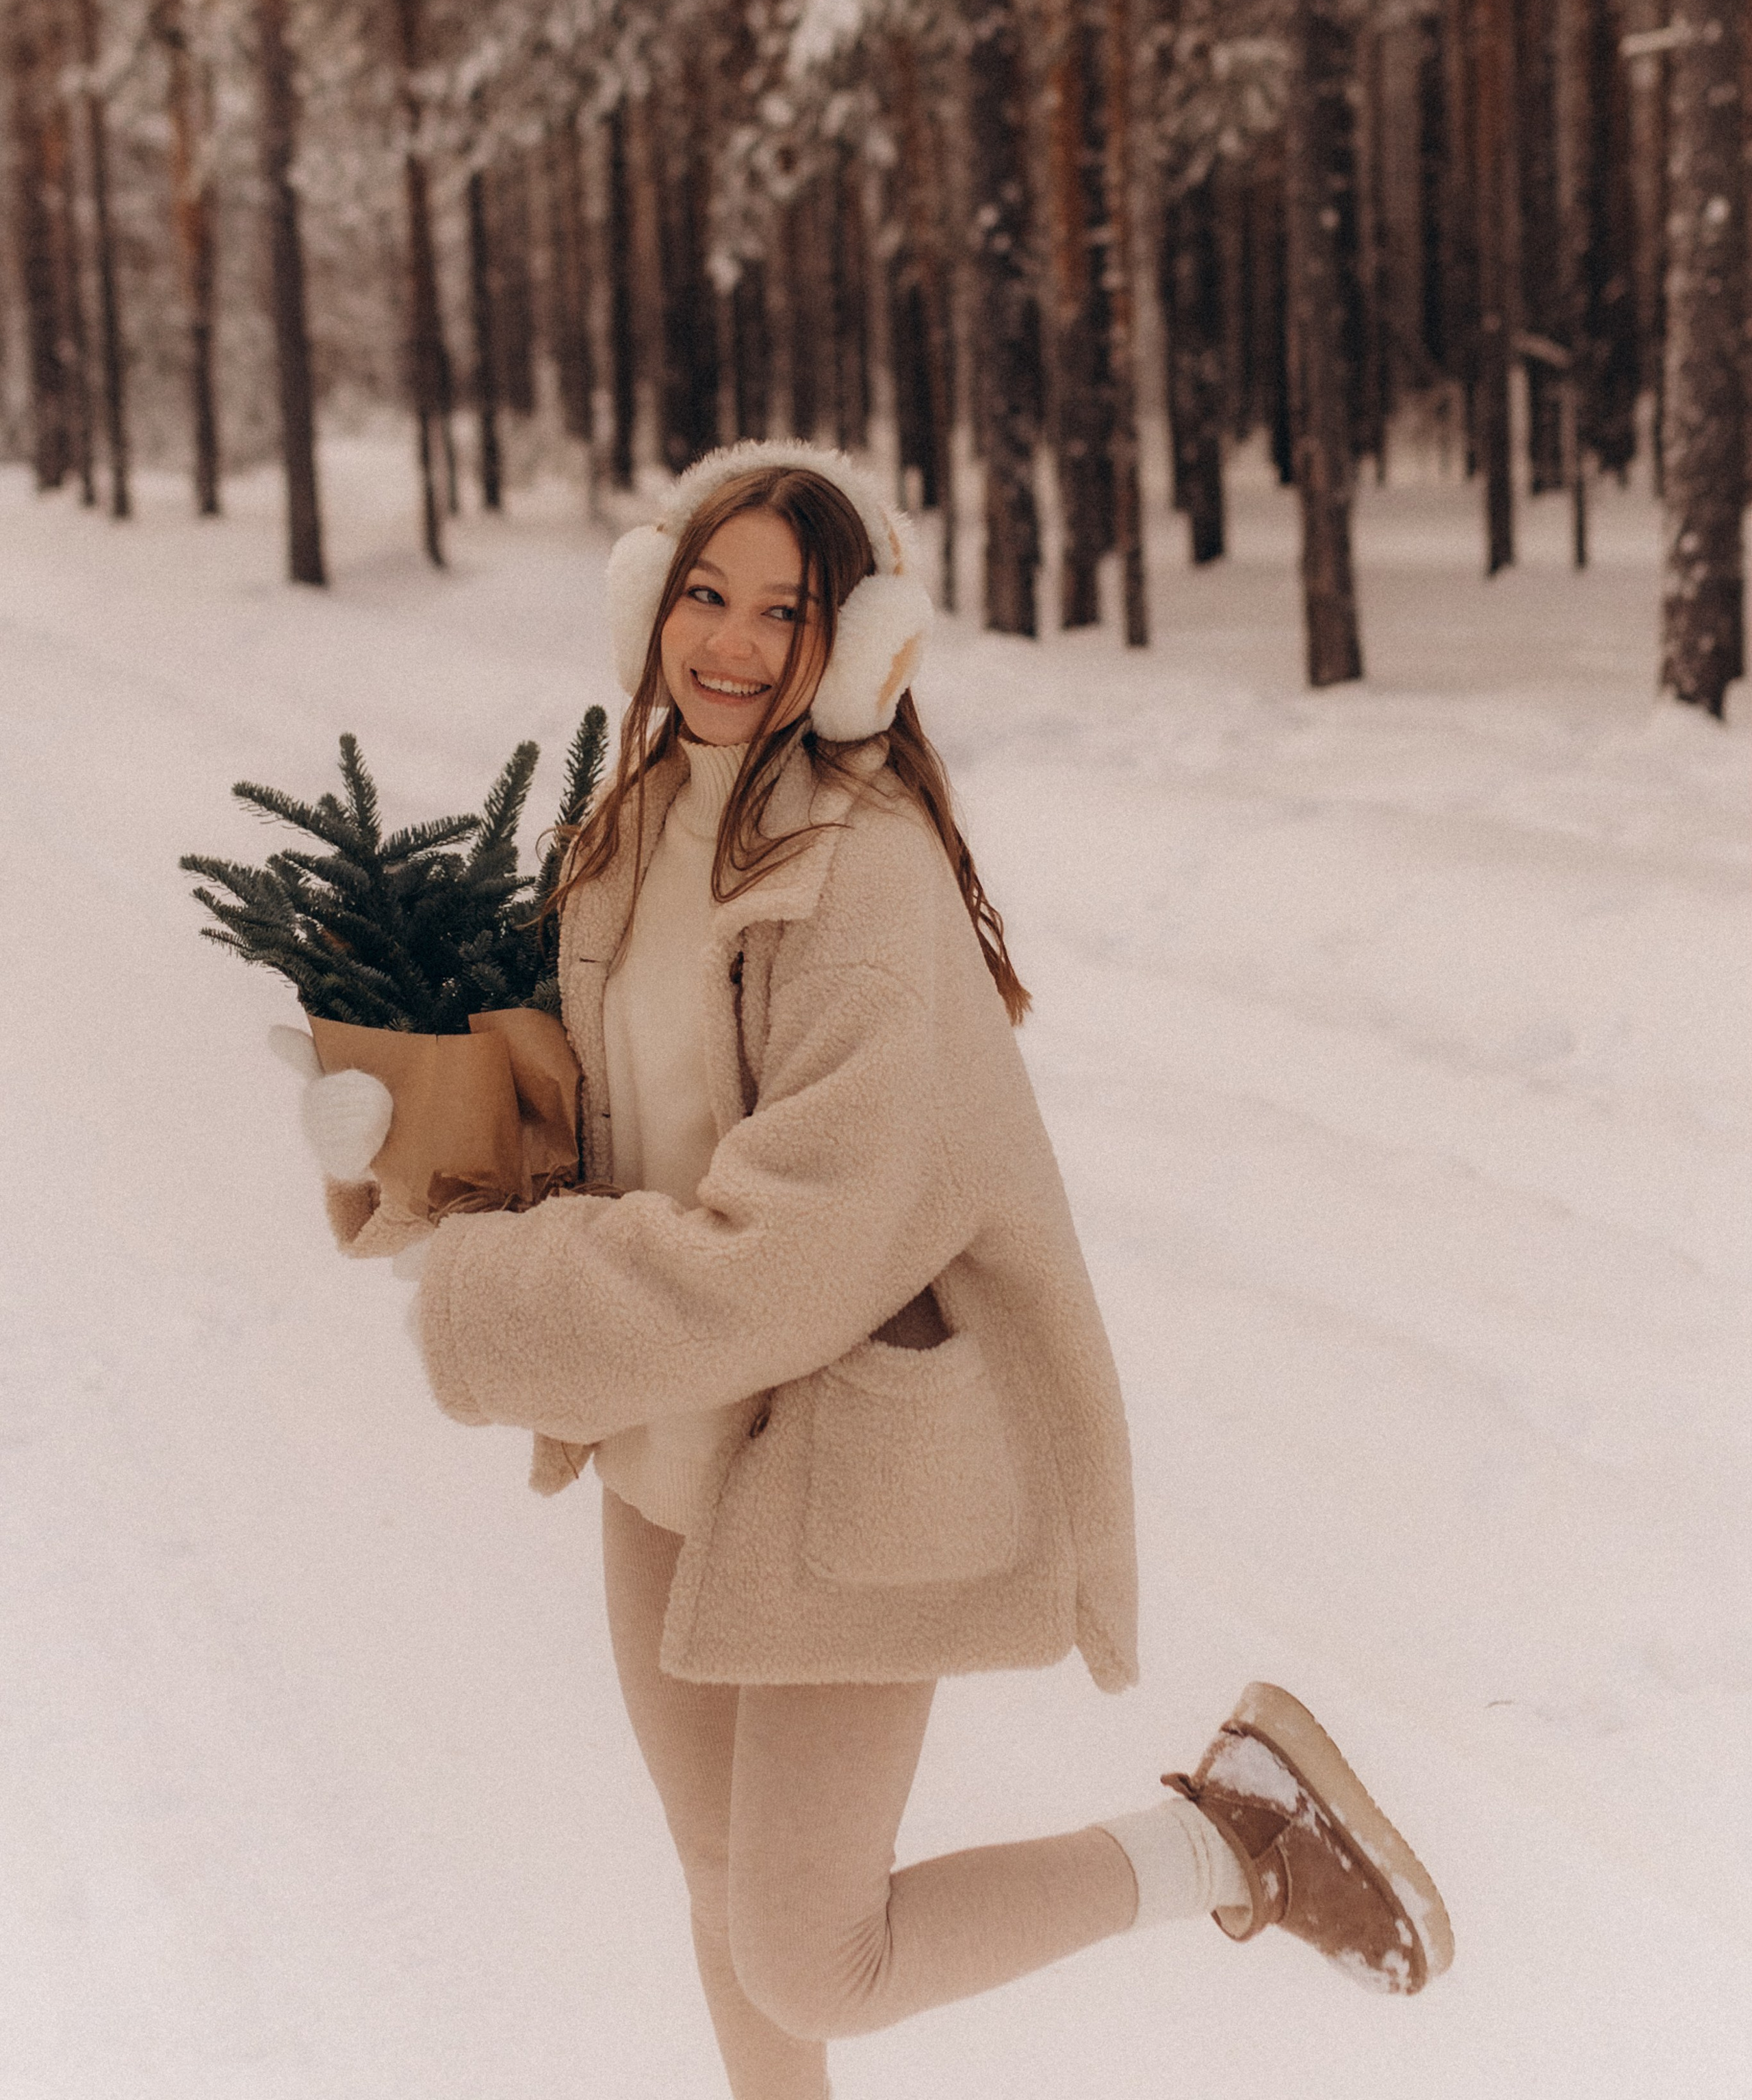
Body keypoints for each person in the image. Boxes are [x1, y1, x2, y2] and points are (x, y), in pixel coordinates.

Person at [302, 441, 1452, 2098]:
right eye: (705, 593)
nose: (731, 641)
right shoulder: (630, 835)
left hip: (843, 1458)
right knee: (720, 1889)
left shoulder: (864, 870)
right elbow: (608, 1132)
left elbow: (794, 1255)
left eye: (785, 612)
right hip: (668, 1449)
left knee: (808, 1952)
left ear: (851, 648)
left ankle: (1227, 1839)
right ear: (647, 605)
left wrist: (489, 1305)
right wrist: (412, 1136)